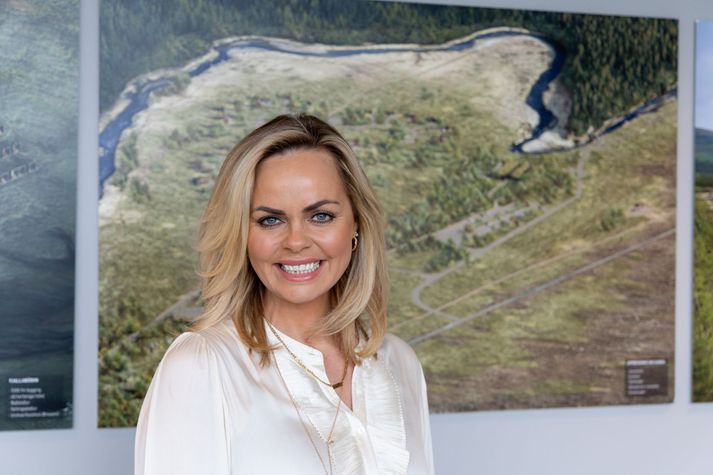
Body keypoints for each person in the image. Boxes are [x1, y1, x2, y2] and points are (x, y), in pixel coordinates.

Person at [134, 114, 434, 474]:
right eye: (270, 220)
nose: (296, 241)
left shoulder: (400, 362)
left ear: (356, 223)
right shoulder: (201, 367)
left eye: (320, 216)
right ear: (241, 234)